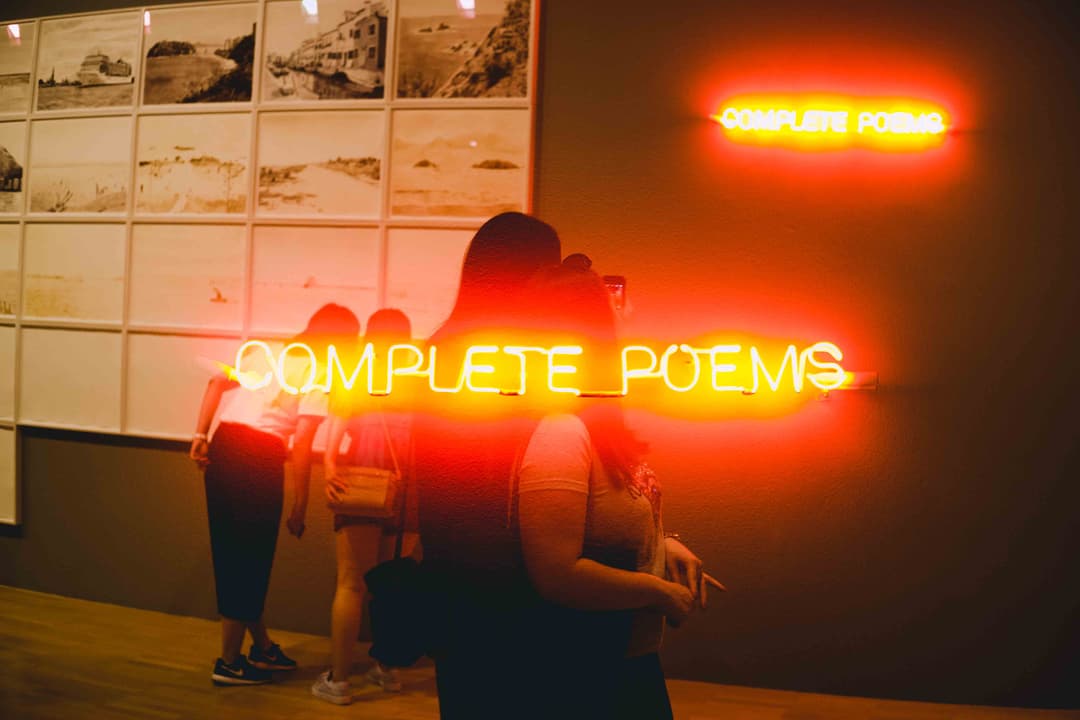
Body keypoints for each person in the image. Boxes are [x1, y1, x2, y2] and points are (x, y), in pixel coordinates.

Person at [514, 263, 724, 718]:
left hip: (627, 656)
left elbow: (607, 518)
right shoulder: (562, 432)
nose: (628, 311)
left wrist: (664, 546)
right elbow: (556, 573)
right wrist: (657, 591)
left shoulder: (600, 424)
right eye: (616, 304)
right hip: (584, 671)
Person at [411, 211, 564, 718]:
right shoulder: (529, 360)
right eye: (551, 268)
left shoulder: (443, 352)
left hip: (459, 575)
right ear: (522, 273)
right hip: (509, 574)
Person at [189, 303, 360, 686]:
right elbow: (301, 444)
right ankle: (229, 663)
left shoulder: (270, 353)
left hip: (225, 442)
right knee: (249, 556)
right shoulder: (319, 373)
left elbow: (216, 382)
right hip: (259, 455)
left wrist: (200, 436)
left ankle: (261, 647)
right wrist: (300, 503)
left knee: (233, 550)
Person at [312, 308, 420, 705]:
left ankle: (339, 681)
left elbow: (334, 436)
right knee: (393, 585)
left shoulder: (355, 375)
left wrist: (328, 470)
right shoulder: (418, 379)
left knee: (350, 583)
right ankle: (387, 671)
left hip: (364, 480)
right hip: (410, 488)